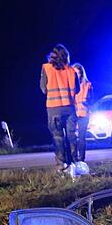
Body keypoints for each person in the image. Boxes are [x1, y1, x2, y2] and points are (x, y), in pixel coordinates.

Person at [40, 44, 80, 174]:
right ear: (66, 57)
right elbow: (77, 89)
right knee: (72, 137)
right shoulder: (72, 71)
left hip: (53, 109)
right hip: (69, 108)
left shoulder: (46, 68)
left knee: (58, 138)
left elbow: (43, 89)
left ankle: (61, 166)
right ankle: (75, 163)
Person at [72, 62, 93, 171]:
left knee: (81, 138)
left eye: (77, 73)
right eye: (74, 73)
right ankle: (73, 159)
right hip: (73, 114)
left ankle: (81, 159)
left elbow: (91, 100)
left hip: (84, 114)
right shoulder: (71, 84)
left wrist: (86, 102)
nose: (75, 75)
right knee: (72, 138)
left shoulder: (87, 84)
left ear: (81, 73)